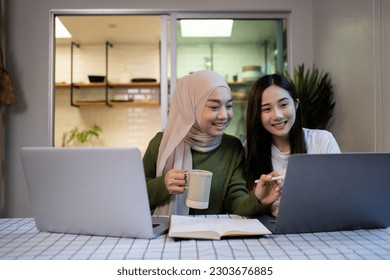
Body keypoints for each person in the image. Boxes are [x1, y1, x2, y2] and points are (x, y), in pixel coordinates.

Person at [142, 70, 278, 216]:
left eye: (229, 106)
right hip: (165, 234)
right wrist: (162, 185)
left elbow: (235, 201)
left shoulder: (233, 148)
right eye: (214, 107)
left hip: (212, 236)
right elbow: (133, 194)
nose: (224, 115)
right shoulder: (162, 143)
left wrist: (258, 199)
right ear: (191, 107)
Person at [245, 73, 341, 217]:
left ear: (296, 105)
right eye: (266, 109)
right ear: (257, 115)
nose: (277, 115)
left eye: (283, 105)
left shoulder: (322, 141)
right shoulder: (250, 149)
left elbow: (340, 195)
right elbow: (247, 204)